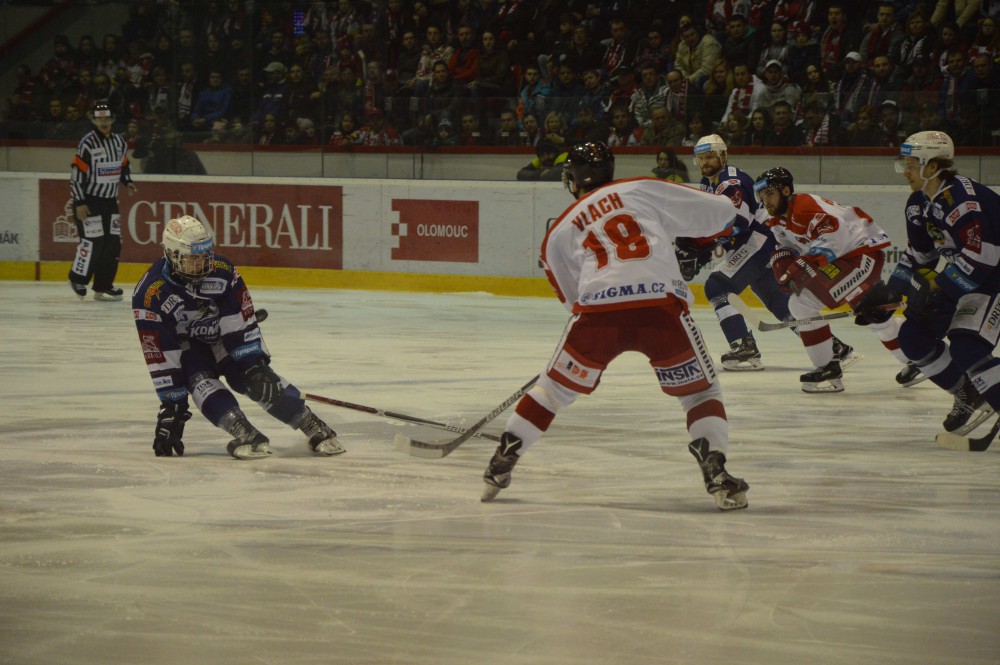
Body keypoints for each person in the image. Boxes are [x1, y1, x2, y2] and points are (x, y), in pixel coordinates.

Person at [481, 141, 752, 511]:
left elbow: (572, 300)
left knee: (553, 390)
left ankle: (503, 460)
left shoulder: (559, 231)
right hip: (660, 309)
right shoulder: (640, 188)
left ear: (574, 179)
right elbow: (721, 212)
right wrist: (693, 241)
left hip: (597, 315)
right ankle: (715, 470)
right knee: (700, 394)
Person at [132, 215, 345, 460]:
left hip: (223, 338)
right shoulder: (149, 295)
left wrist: (254, 365)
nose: (202, 265)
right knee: (199, 380)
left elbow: (238, 323)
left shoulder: (222, 272)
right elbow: (161, 353)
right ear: (172, 255)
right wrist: (172, 406)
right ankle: (243, 431)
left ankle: (312, 424)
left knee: (254, 379)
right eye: (192, 259)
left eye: (205, 256)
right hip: (188, 348)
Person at [855, 131, 1000, 432]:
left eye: (911, 164)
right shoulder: (918, 203)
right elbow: (920, 255)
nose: (905, 171)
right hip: (971, 278)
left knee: (966, 348)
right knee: (913, 337)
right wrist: (889, 293)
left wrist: (941, 288)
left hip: (993, 278)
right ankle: (968, 392)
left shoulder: (963, 200)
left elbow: (983, 256)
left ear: (932, 167)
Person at [678, 134, 857, 372]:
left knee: (717, 286)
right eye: (701, 158)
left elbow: (738, 222)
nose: (705, 162)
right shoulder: (708, 182)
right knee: (779, 303)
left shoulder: (730, 183)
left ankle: (743, 345)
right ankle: (834, 347)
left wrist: (704, 245)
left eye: (710, 156)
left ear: (723, 156)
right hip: (759, 243)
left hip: (758, 241)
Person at [754, 166, 908, 392]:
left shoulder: (805, 207)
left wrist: (803, 265)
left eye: (769, 193)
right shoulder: (777, 219)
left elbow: (835, 235)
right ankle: (918, 357)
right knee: (875, 316)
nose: (765, 200)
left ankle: (828, 368)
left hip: (860, 256)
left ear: (785, 191)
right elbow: (786, 244)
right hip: (844, 260)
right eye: (761, 195)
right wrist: (782, 260)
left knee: (801, 303)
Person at [68, 102, 135, 301]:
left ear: (112, 119)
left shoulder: (119, 142)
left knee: (113, 244)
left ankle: (103, 286)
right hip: (90, 202)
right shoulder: (87, 143)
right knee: (93, 242)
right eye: (100, 119)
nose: (104, 122)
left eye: (107, 118)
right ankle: (77, 279)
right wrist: (80, 201)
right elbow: (77, 174)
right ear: (93, 120)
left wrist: (127, 182)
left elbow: (124, 165)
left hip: (110, 202)